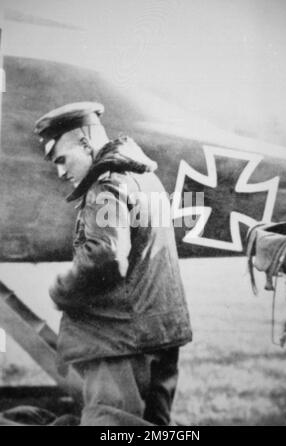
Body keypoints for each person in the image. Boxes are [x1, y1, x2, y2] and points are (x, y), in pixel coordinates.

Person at [34, 102, 193, 426]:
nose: (60, 172)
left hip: (121, 343)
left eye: (62, 159)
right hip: (159, 338)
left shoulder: (106, 185)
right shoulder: (145, 179)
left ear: (85, 141)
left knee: (111, 427)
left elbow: (105, 255)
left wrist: (60, 290)